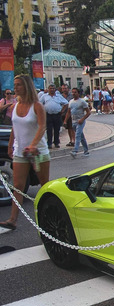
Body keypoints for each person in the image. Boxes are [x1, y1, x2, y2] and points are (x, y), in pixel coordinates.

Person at [0, 75, 49, 232]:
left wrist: (33, 145)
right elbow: (15, 128)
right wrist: (10, 146)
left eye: (19, 85)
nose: (16, 88)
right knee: (18, 187)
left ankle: (48, 218)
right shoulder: (15, 106)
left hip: (38, 152)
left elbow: (42, 127)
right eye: (15, 85)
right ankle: (13, 220)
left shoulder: (37, 106)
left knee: (44, 186)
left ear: (26, 86)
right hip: (20, 152)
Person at [39, 84, 68, 149]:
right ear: (48, 89)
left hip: (57, 115)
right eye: (51, 88)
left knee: (57, 129)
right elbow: (39, 103)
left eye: (53, 88)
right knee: (49, 129)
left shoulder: (58, 96)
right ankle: (49, 143)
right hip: (48, 115)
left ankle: (56, 142)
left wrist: (62, 111)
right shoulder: (44, 96)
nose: (52, 90)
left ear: (55, 89)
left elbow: (66, 103)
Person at [66, 87, 91, 158]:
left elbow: (88, 112)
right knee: (81, 137)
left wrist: (82, 119)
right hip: (73, 122)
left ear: (78, 93)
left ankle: (75, 151)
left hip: (80, 122)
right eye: (72, 92)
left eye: (75, 92)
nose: (73, 93)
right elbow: (68, 112)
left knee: (77, 135)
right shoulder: (70, 102)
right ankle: (86, 151)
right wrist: (65, 121)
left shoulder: (82, 102)